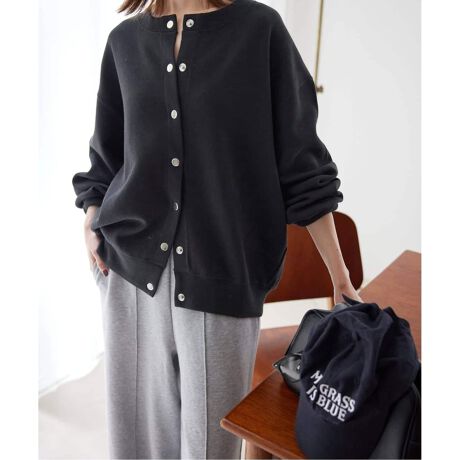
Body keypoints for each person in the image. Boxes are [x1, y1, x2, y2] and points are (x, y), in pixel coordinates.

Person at [72, 0, 362, 458]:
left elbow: (302, 163)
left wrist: (339, 274)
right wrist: (90, 217)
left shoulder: (259, 31)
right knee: (138, 447)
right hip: (129, 272)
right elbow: (106, 158)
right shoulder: (124, 42)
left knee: (211, 448)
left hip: (223, 273)